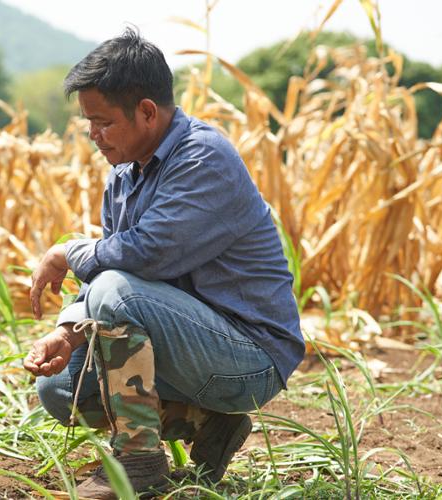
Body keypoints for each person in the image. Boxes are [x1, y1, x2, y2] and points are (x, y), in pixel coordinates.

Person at [24, 29, 304, 498]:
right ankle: (211, 423)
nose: (93, 135)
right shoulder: (123, 174)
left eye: (103, 122)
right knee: (61, 391)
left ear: (148, 112)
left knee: (114, 291)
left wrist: (66, 251)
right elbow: (114, 268)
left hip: (249, 358)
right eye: (88, 122)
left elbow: (145, 255)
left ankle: (138, 462)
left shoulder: (202, 157)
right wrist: (69, 332)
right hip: (189, 346)